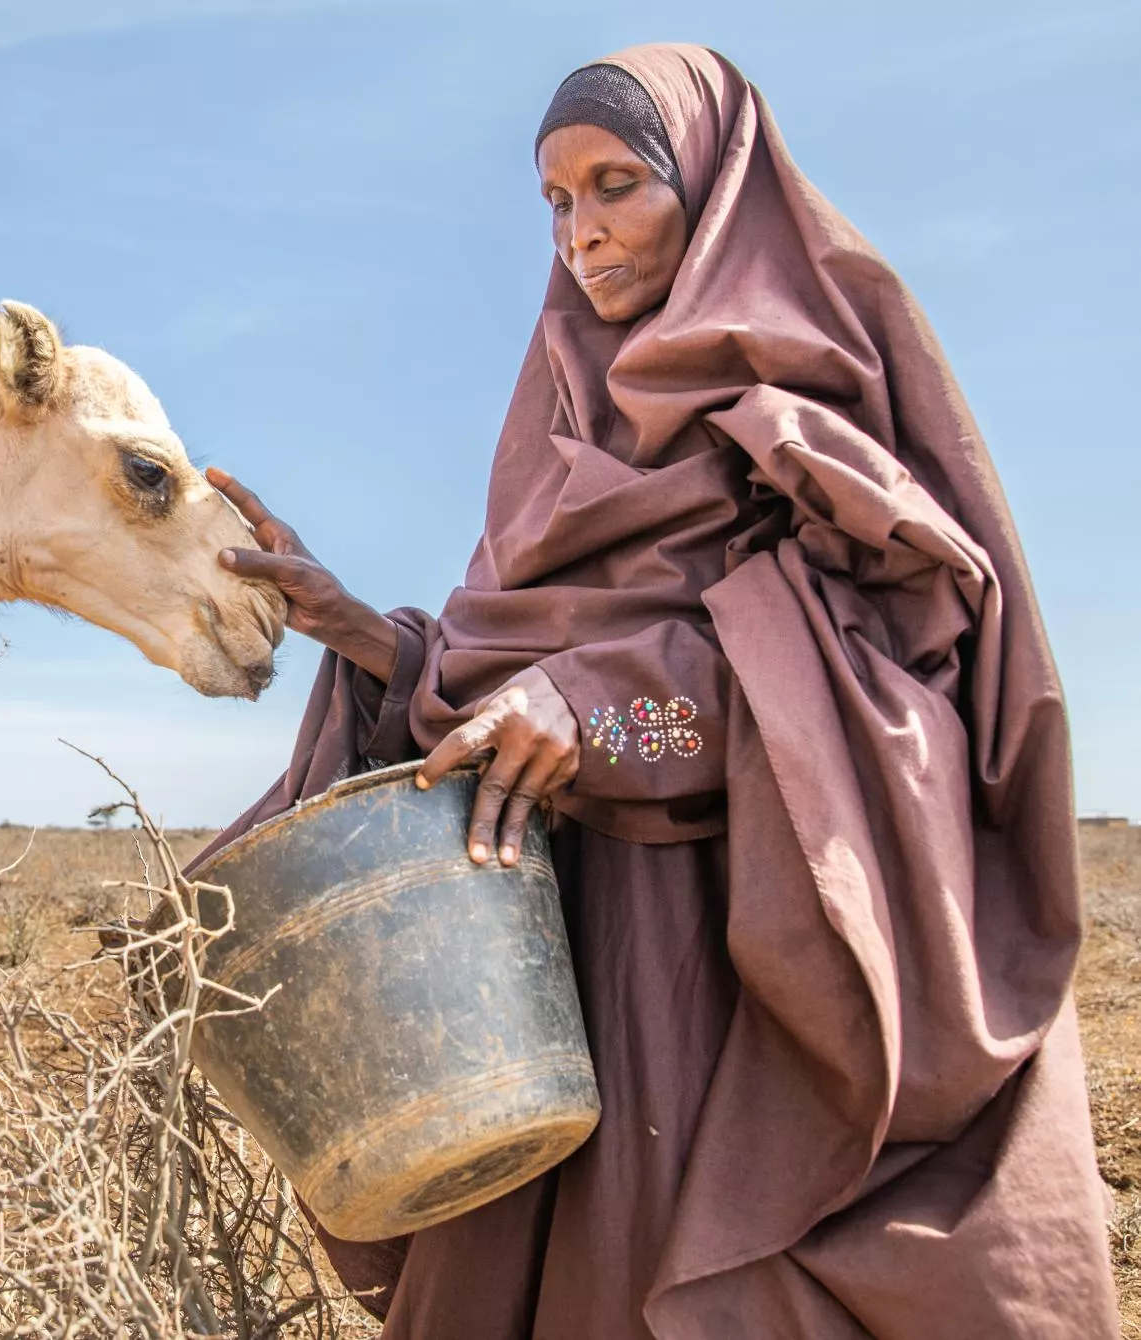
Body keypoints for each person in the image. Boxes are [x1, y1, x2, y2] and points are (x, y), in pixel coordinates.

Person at [203, 43, 1119, 1339]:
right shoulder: (558, 422)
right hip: (576, 961)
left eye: (615, 184)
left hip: (755, 953)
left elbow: (891, 666)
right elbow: (511, 670)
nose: (581, 233)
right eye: (556, 202)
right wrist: (372, 639)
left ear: (713, 182)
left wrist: (611, 708)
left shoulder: (814, 375)